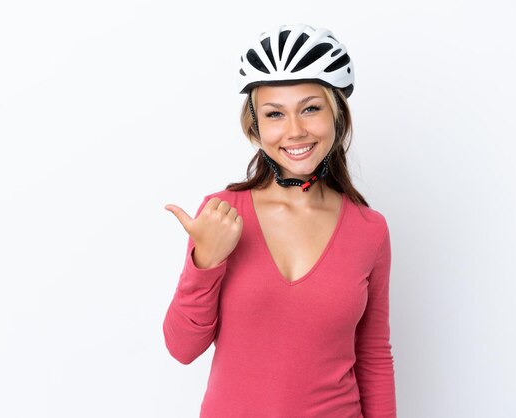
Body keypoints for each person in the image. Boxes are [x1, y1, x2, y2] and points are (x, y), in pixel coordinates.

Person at [163, 23, 397, 418]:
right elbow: (182, 349)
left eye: (310, 108)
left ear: (336, 116)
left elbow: (373, 354)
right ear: (256, 126)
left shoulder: (369, 229)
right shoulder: (221, 214)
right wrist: (207, 261)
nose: (295, 130)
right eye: (275, 114)